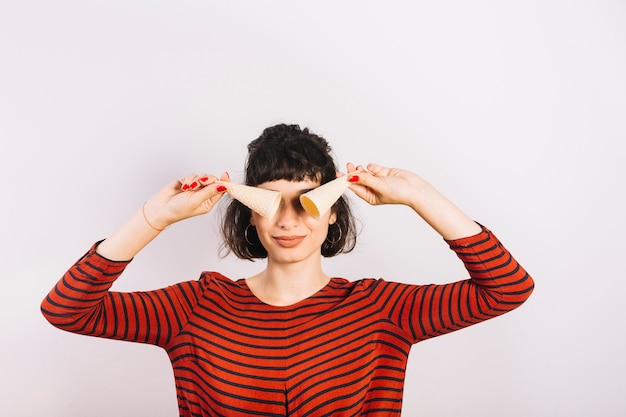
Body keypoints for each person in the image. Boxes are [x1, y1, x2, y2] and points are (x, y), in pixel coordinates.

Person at [41, 123, 534, 416]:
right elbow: (67, 311)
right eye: (271, 202)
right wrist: (154, 217)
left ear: (335, 211)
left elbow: (507, 289)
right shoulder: (195, 309)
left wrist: (418, 195)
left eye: (307, 202)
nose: (288, 220)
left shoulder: (381, 310)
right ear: (249, 213)